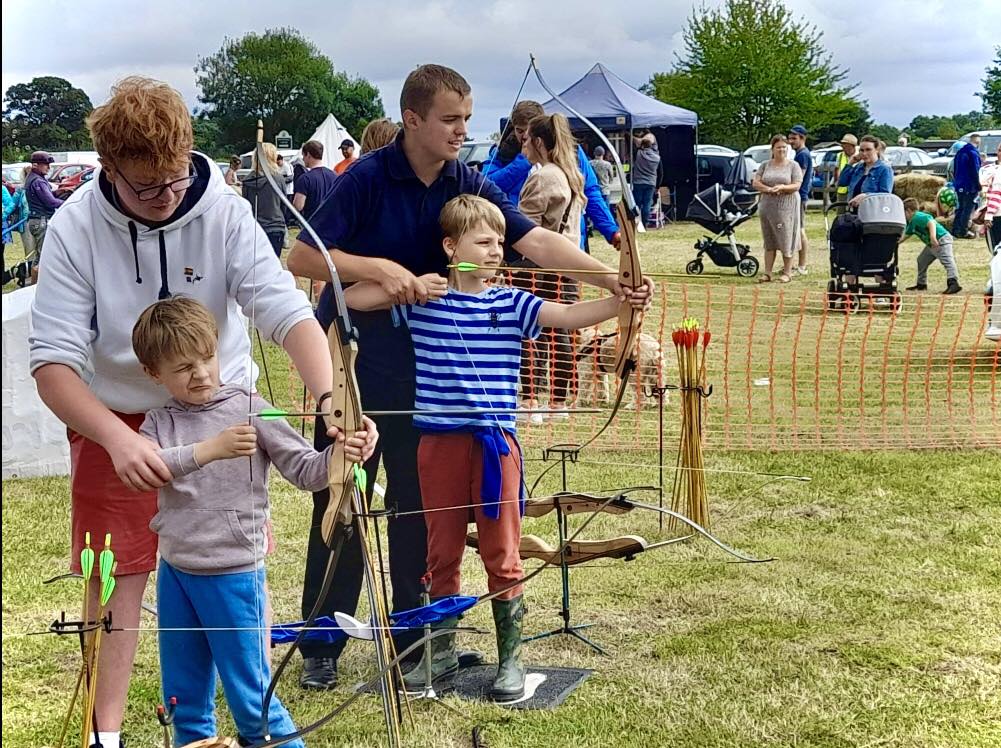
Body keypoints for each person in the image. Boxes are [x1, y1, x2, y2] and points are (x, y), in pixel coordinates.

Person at [285, 64, 651, 691]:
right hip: (352, 363)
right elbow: (302, 254)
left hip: (426, 372)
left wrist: (609, 280)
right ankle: (321, 641)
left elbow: (532, 241)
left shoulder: (465, 179)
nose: (463, 130)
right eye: (450, 119)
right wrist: (379, 267)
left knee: (416, 507)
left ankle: (416, 638)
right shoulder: (368, 178)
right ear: (414, 120)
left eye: (466, 118)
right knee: (341, 500)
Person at [28, 76, 362, 748]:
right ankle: (108, 737)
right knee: (117, 578)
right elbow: (54, 362)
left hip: (220, 410)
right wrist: (117, 443)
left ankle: (246, 721)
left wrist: (329, 399)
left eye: (175, 179)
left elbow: (284, 309)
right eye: (147, 186)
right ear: (110, 167)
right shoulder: (74, 227)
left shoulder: (225, 211)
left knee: (229, 576)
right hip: (115, 419)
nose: (166, 196)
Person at [344, 194, 624, 700]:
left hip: (495, 447)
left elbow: (570, 316)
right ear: (450, 247)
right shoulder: (425, 303)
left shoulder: (512, 302)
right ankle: (441, 653)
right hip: (438, 445)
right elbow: (352, 300)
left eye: (500, 242)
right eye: (483, 241)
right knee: (442, 551)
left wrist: (622, 299)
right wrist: (406, 283)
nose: (496, 251)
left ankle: (510, 662)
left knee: (502, 552)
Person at [132, 296, 375, 747]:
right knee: (182, 699)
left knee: (252, 701)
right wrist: (210, 449)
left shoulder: (250, 406)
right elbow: (147, 468)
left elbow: (305, 468)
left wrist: (343, 452)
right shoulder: (158, 422)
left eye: (207, 357)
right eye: (183, 367)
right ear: (154, 373)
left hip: (234, 575)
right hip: (176, 571)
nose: (201, 373)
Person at [515, 113, 585, 418]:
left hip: (538, 264)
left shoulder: (543, 176)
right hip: (567, 262)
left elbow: (524, 229)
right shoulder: (569, 173)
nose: (524, 144)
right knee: (561, 331)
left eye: (528, 138)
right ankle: (557, 402)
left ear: (540, 142)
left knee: (530, 329)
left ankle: (531, 401)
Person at [480, 100, 620, 251]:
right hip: (522, 244)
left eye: (529, 132)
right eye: (520, 131)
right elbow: (485, 185)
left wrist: (611, 231)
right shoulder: (503, 152)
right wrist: (523, 162)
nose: (525, 137)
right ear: (513, 128)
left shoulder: (570, 151)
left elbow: (590, 192)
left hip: (569, 240)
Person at [837, 135, 895, 288]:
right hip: (854, 214)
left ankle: (881, 283)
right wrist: (850, 163)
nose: (864, 153)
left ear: (876, 150)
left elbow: (886, 194)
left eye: (868, 150)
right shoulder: (858, 169)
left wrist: (866, 196)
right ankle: (850, 282)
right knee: (850, 247)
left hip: (874, 214)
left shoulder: (884, 169)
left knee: (875, 249)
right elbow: (842, 182)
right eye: (861, 150)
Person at [752, 135, 803, 284]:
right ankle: (767, 273)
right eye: (778, 147)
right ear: (772, 149)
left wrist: (783, 187)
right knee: (769, 240)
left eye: (784, 147)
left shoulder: (793, 166)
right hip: (767, 206)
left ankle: (787, 272)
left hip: (787, 207)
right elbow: (756, 182)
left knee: (786, 238)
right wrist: (768, 189)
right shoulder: (765, 165)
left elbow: (797, 185)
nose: (781, 150)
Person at [900, 198, 961, 294]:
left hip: (941, 239)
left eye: (903, 213)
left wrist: (933, 237)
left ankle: (953, 283)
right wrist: (895, 243)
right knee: (921, 260)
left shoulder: (917, 216)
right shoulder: (912, 223)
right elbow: (905, 236)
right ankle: (921, 284)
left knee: (947, 261)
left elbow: (931, 222)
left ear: (908, 211)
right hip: (931, 244)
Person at [23, 150, 65, 280]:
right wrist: (68, 202)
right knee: (43, 258)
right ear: (36, 165)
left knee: (40, 257)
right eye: (45, 164)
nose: (48, 167)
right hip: (41, 220)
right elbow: (50, 202)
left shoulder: (34, 179)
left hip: (36, 220)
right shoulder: (38, 181)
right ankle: (36, 288)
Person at [241, 142, 288, 257]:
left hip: (255, 227)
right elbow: (284, 204)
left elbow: (246, 205)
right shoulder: (278, 179)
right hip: (275, 226)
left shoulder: (247, 181)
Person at [787, 125, 813, 275]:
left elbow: (799, 177)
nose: (791, 141)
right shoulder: (800, 154)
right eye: (790, 138)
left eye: (794, 138)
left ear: (803, 138)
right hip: (799, 195)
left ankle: (802, 265)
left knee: (799, 230)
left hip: (800, 197)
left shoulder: (803, 154)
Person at [292, 140, 337, 221]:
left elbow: (298, 206)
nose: (303, 159)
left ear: (308, 154)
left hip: (312, 225)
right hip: (331, 223)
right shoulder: (334, 176)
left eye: (303, 156)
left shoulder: (305, 179)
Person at [952, 135, 983, 239]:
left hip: (959, 184)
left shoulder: (960, 152)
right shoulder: (973, 153)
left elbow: (954, 169)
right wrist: (979, 185)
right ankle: (963, 231)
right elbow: (976, 170)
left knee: (960, 208)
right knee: (968, 209)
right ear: (978, 142)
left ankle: (955, 229)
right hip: (970, 186)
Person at [631, 133, 660, 228]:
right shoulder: (657, 157)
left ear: (642, 145)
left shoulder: (639, 154)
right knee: (647, 204)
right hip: (651, 183)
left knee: (637, 203)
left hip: (638, 182)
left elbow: (635, 146)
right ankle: (645, 223)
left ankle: (636, 222)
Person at [983, 140, 1001, 250]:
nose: (999, 153)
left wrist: (989, 215)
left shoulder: (998, 172)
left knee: (996, 249)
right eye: (999, 150)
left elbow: (996, 194)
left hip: (998, 215)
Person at [834, 134, 858, 206]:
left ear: (852, 145)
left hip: (854, 189)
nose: (842, 146)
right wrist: (836, 182)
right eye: (842, 143)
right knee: (841, 212)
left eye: (845, 144)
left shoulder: (859, 156)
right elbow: (837, 169)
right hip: (842, 190)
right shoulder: (840, 155)